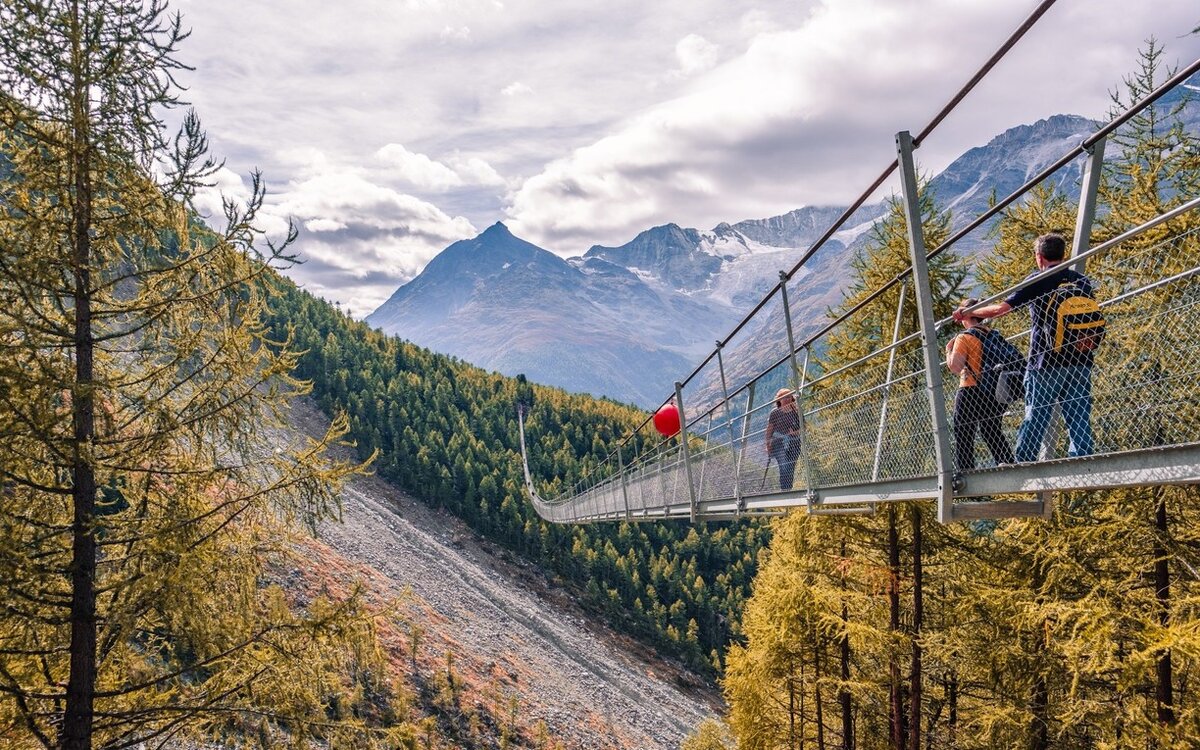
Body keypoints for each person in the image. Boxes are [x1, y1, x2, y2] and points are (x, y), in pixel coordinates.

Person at [954, 233, 1095, 461]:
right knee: (1078, 413)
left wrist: (969, 313)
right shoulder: (1080, 280)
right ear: (1063, 255)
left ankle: (1024, 462)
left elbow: (1002, 309)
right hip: (1082, 358)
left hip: (1045, 360)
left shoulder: (1037, 279)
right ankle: (1082, 456)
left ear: (1039, 257)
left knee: (1036, 415)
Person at [946, 298, 1015, 472]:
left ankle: (966, 472)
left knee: (964, 432)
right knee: (991, 429)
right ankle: (1007, 462)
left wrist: (948, 351)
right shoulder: (993, 335)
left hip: (971, 388)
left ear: (965, 316)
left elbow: (956, 366)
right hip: (995, 388)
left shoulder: (965, 336)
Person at [765, 387, 802, 490]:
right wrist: (768, 445)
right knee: (784, 466)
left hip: (794, 443)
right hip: (778, 443)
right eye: (785, 397)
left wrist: (794, 433)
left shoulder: (796, 410)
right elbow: (769, 430)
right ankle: (785, 490)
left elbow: (804, 427)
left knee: (790, 467)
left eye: (789, 396)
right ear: (779, 400)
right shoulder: (775, 413)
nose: (787, 399)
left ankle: (787, 490)